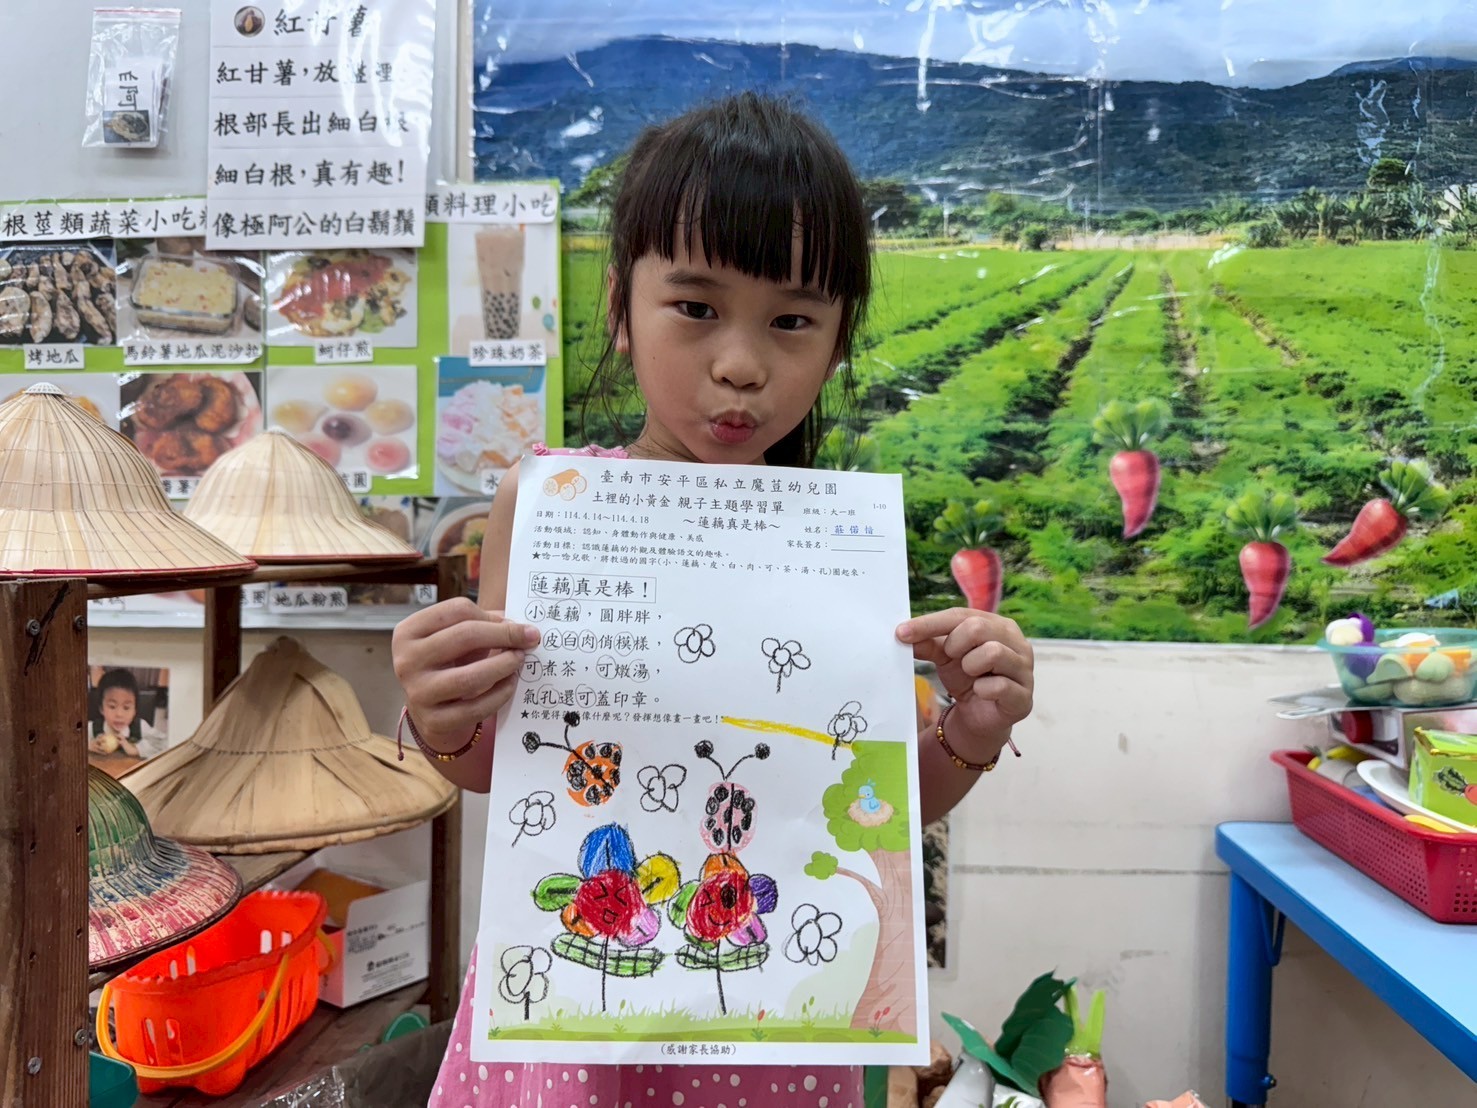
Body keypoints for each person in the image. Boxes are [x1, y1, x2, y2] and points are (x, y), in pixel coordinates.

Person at [392, 92, 1035, 1108]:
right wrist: (439, 715)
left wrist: (971, 731)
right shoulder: (551, 503)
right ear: (620, 305)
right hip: (577, 1027)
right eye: (695, 308)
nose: (740, 365)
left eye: (792, 320)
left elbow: (870, 806)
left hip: (778, 1036)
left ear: (838, 339)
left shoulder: (837, 541)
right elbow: (495, 769)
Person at [89, 668, 167, 760]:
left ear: (135, 710)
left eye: (126, 708)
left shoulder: (140, 727)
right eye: (112, 706)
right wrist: (88, 745)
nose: (119, 714)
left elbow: (166, 743)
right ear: (102, 708)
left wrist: (136, 750)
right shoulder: (92, 728)